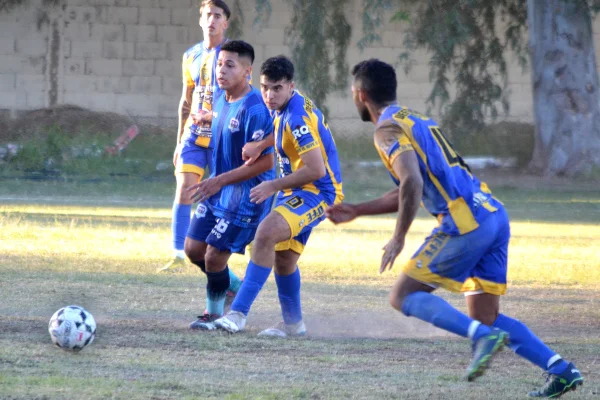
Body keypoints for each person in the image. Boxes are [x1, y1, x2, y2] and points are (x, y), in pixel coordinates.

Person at [325, 59, 583, 397]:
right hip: (491, 214)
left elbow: (412, 183)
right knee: (486, 316)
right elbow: (410, 187)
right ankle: (560, 370)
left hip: (465, 223)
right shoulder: (413, 119)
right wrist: (359, 210)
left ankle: (481, 338)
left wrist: (398, 237)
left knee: (402, 295)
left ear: (360, 95)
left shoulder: (386, 131)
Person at [213, 55, 344, 337]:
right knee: (284, 260)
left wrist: (272, 186)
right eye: (265, 88)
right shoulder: (285, 106)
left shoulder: (298, 119)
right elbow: (277, 127)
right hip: (295, 189)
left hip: (318, 191)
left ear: (290, 86)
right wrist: (261, 145)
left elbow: (315, 169)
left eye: (276, 88)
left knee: (266, 233)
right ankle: (294, 325)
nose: (269, 96)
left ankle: (237, 314)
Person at [185, 40, 276, 330]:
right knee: (192, 250)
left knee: (213, 257)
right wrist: (208, 118)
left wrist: (218, 181)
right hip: (218, 191)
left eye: (229, 65)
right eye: (219, 64)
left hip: (245, 199)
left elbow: (266, 163)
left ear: (247, 72)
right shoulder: (222, 98)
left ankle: (213, 315)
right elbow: (227, 120)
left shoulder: (256, 109)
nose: (221, 70)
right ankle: (231, 284)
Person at [159, 0, 241, 288]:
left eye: (217, 16)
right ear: (201, 20)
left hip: (221, 135)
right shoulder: (190, 55)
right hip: (194, 134)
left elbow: (239, 94)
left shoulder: (232, 54)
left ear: (225, 22)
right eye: (207, 15)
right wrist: (180, 139)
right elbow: (186, 100)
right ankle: (178, 253)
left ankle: (222, 252)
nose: (211, 20)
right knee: (184, 187)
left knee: (221, 195)